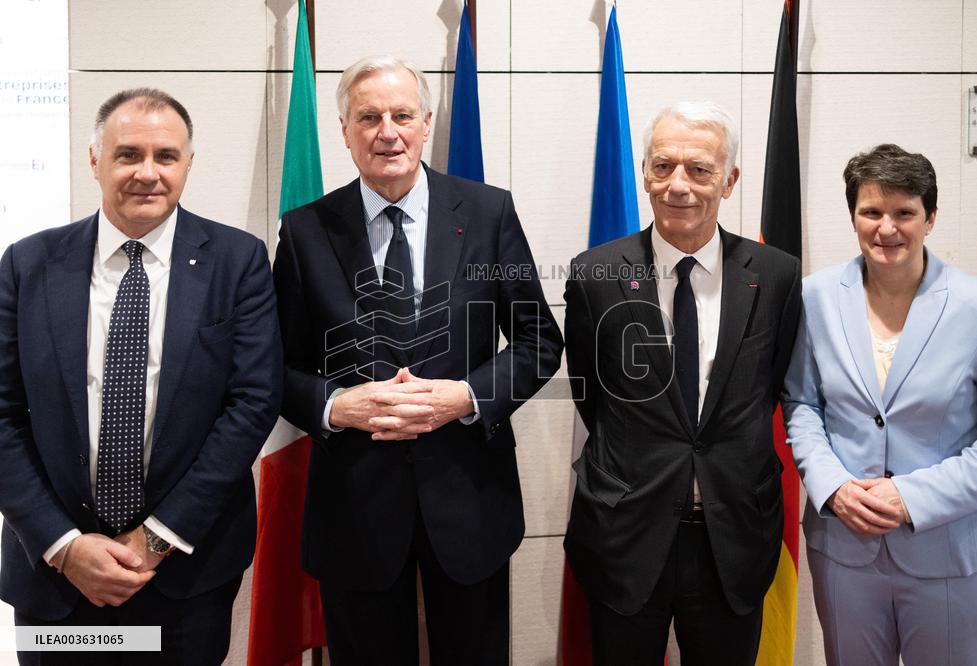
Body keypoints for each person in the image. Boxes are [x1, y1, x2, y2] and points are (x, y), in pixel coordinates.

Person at [273, 55, 562, 665]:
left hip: (469, 500)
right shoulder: (303, 231)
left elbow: (540, 342)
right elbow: (273, 367)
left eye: (402, 115)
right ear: (345, 131)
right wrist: (335, 406)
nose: (388, 131)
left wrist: (467, 397)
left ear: (426, 122)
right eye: (369, 117)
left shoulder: (488, 214)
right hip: (354, 507)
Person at [0, 88, 282, 665]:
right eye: (128, 154)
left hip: (185, 575)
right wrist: (63, 545)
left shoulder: (238, 261)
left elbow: (253, 403)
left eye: (166, 156)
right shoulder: (27, 264)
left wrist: (157, 538)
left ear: (189, 164)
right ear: (95, 159)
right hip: (57, 575)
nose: (147, 173)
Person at [562, 101, 801, 666]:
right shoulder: (595, 274)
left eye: (699, 169)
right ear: (644, 172)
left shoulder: (777, 274)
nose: (679, 186)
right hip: (625, 535)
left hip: (732, 539)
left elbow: (775, 388)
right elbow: (591, 395)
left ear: (730, 179)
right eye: (663, 166)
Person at [782, 143, 977, 665]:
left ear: (931, 219)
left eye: (905, 213)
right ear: (853, 216)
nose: (887, 228)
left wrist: (910, 496)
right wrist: (832, 487)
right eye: (872, 212)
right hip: (844, 550)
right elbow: (801, 405)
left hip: (949, 551)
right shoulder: (813, 298)